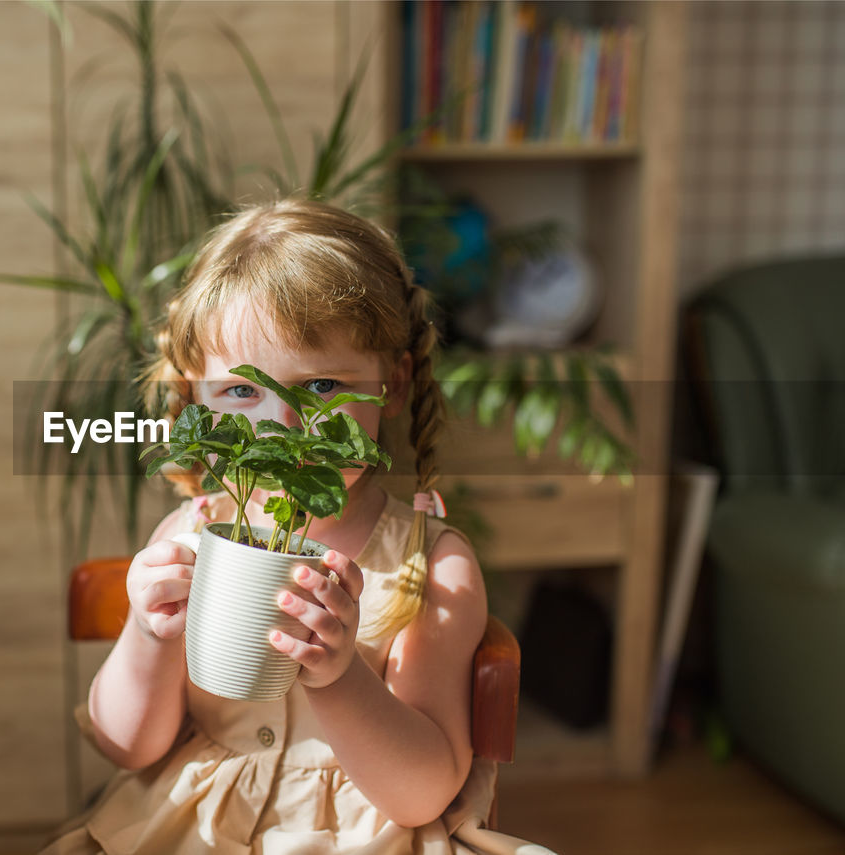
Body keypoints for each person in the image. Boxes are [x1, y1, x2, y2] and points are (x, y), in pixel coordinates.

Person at [41, 198, 556, 855]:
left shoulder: (432, 567)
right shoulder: (189, 532)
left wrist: (339, 676)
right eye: (241, 392)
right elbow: (125, 745)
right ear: (196, 394)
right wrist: (147, 634)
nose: (278, 427)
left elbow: (422, 791)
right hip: (187, 827)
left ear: (391, 384)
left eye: (318, 388)